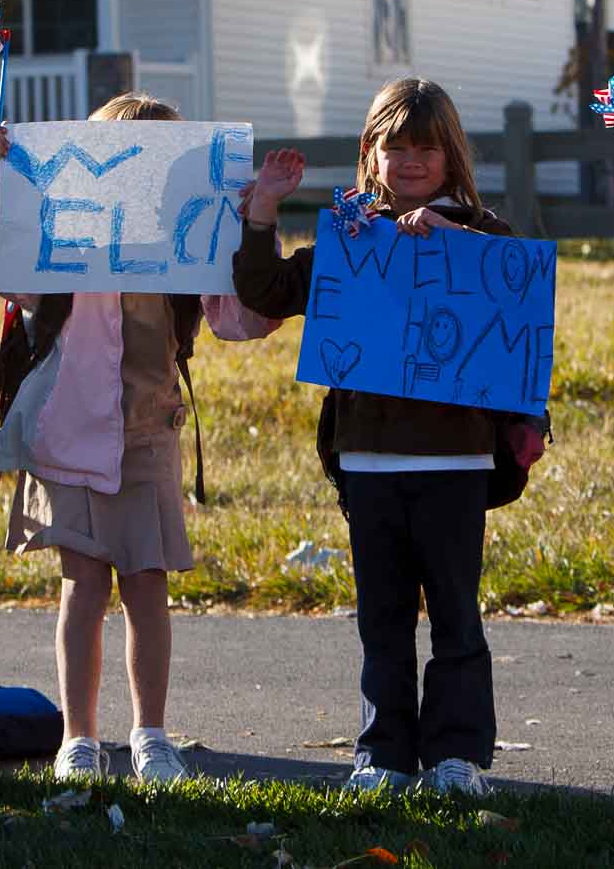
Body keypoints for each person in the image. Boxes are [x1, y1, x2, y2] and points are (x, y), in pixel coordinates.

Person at [0, 92, 281, 783]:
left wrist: (251, 218)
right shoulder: (64, 237)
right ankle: (80, 738)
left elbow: (246, 313)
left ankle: (150, 734)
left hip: (147, 435)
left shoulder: (188, 244)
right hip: (68, 435)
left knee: (147, 585)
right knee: (83, 588)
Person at [232, 77, 547, 797]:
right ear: (370, 154)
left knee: (457, 616)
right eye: (394, 147)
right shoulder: (349, 240)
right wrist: (263, 211)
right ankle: (383, 756)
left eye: (426, 149)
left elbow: (520, 322)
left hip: (457, 461)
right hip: (368, 461)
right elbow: (267, 292)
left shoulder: (486, 236)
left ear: (450, 155)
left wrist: (453, 243)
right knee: (382, 618)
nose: (410, 161)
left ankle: (456, 757)